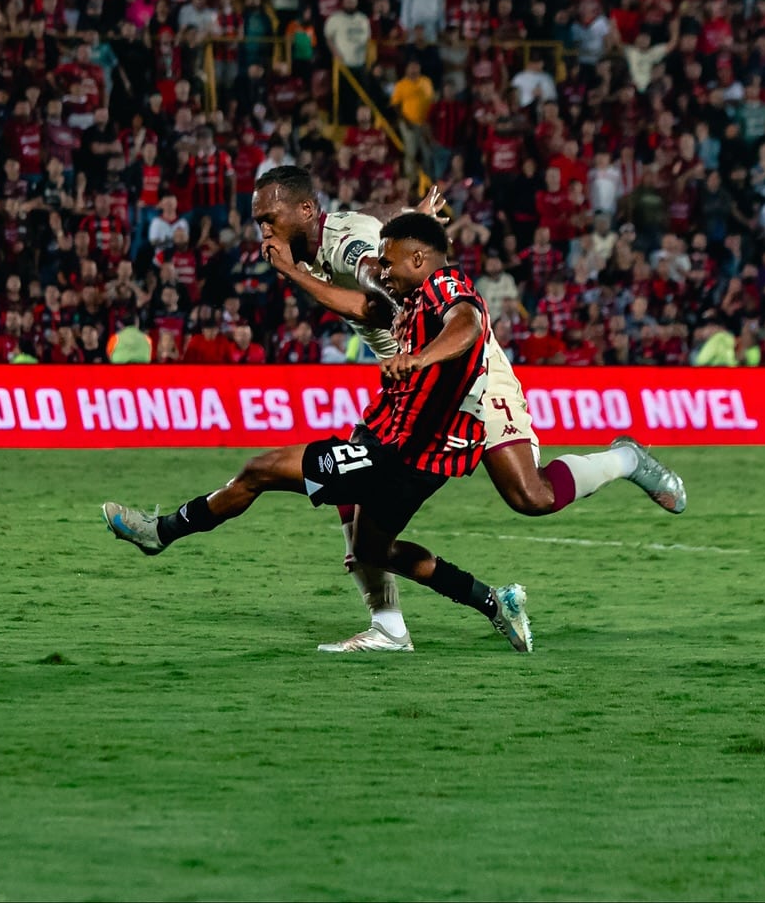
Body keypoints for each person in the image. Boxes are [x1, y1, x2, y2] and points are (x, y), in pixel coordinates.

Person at [248, 165, 687, 652]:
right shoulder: (322, 241)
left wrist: (299, 272)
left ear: (303, 211)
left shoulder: (345, 249)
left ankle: (626, 459)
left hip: (465, 374)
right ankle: (389, 626)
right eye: (258, 219)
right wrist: (411, 220)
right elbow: (377, 232)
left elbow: (378, 289)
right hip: (414, 386)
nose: (263, 227)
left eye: (269, 216)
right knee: (354, 499)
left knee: (530, 496)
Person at [103, 214, 533, 653]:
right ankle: (493, 602)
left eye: (389, 264)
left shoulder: (445, 285)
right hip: (403, 450)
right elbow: (358, 305)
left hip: (398, 454)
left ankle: (162, 531)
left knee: (262, 470)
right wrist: (294, 271)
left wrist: (420, 359)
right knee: (372, 551)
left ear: (419, 258)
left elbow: (467, 325)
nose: (382, 273)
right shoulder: (414, 297)